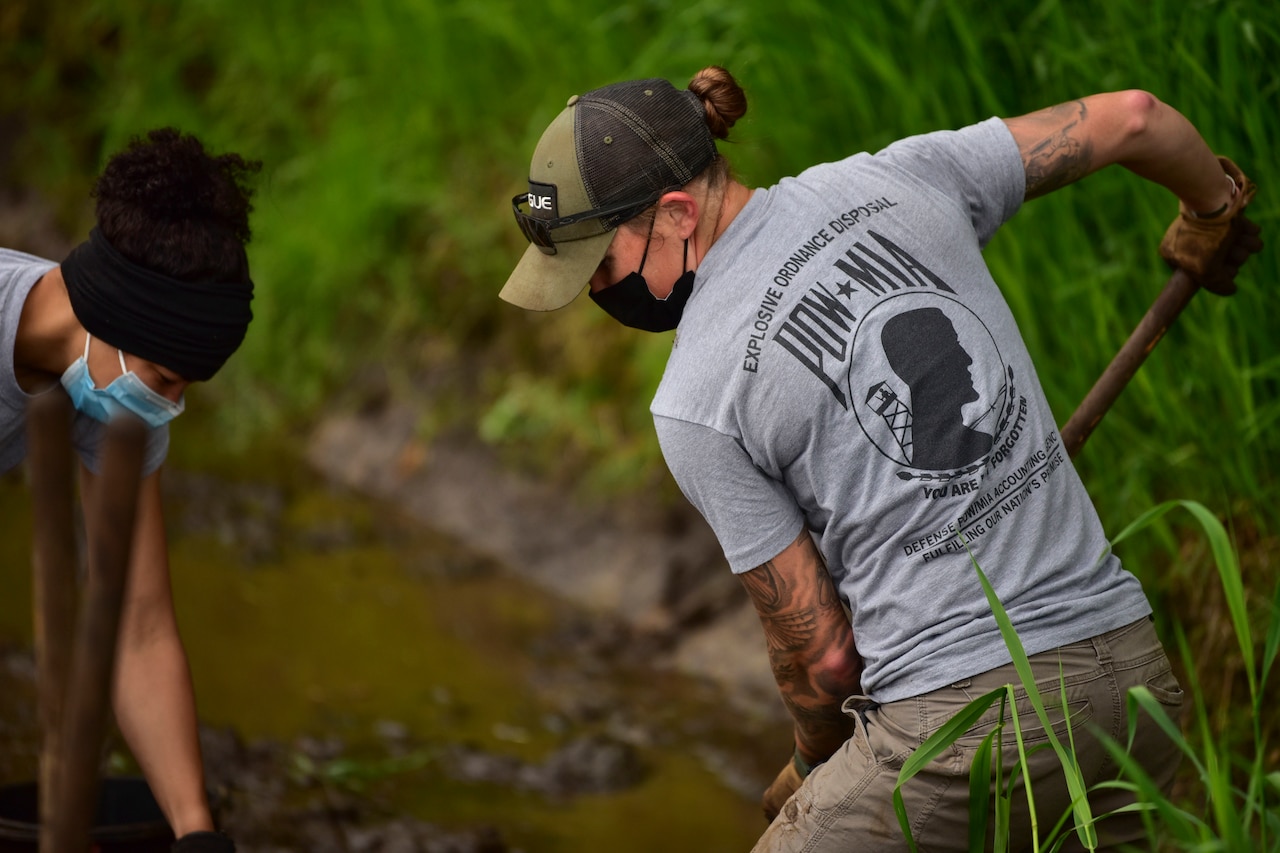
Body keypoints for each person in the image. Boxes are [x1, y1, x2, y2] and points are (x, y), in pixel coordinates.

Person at [498, 67, 1262, 851]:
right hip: (1133, 686)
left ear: (676, 213)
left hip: (966, 730)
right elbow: (1134, 118)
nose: (596, 290)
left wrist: (810, 757)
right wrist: (1211, 209)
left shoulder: (697, 397)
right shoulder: (903, 175)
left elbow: (824, 658)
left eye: (600, 265)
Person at [2, 128, 258, 853]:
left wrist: (195, 831)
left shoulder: (107, 395)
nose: (170, 407)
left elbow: (136, 623)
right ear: (105, 322)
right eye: (165, 382)